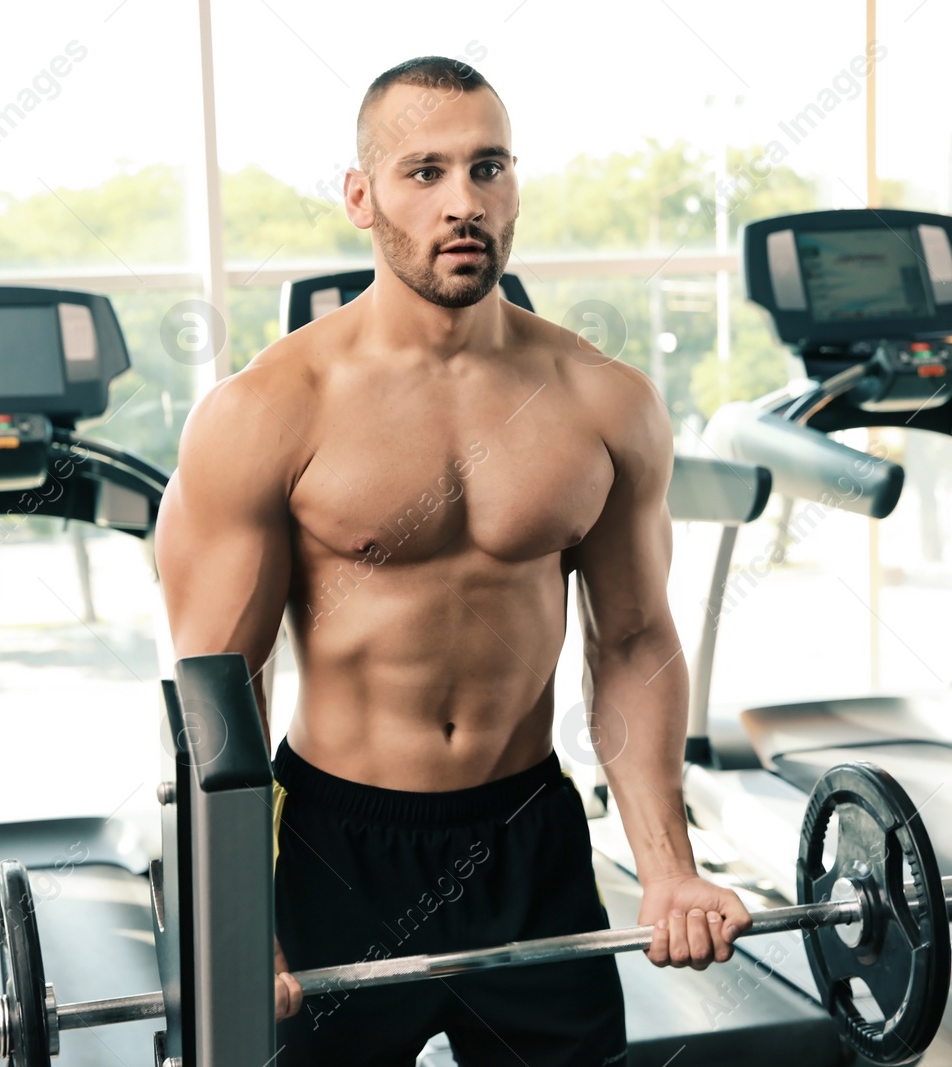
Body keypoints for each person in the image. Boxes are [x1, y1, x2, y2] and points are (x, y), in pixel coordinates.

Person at [156, 54, 749, 1067]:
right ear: (361, 195)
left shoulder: (604, 401)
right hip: (333, 848)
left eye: (488, 167)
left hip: (529, 837)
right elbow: (217, 687)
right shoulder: (268, 409)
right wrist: (229, 912)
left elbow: (636, 637)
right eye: (423, 172)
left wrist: (667, 867)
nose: (462, 203)